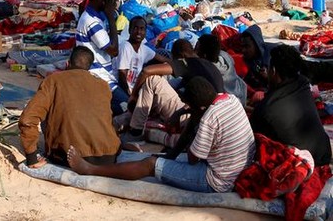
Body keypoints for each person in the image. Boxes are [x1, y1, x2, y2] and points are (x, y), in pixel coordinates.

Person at [67, 76, 256, 194]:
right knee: (185, 131)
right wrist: (182, 114)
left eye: (188, 106)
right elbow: (197, 116)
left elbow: (192, 159)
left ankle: (90, 170)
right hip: (236, 170)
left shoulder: (208, 119)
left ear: (199, 107)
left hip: (216, 181)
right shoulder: (230, 99)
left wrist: (193, 125)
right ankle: (169, 156)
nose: (186, 108)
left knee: (150, 164)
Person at [19, 46, 121, 168]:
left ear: (68, 63)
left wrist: (31, 158)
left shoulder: (54, 80)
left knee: (47, 113)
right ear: (89, 68)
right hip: (109, 157)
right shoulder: (103, 85)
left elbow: (28, 119)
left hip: (69, 157)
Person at [118, 39, 224, 143]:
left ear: (180, 56)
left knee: (152, 80)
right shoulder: (210, 67)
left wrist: (134, 95)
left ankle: (135, 132)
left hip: (194, 121)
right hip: (209, 120)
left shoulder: (189, 63)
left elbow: (146, 71)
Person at [251, 45, 332, 166]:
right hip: (323, 152)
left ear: (273, 71)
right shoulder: (302, 83)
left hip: (304, 164)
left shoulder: (265, 110)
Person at [76, 0, 125, 115]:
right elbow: (113, 51)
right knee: (126, 107)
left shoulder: (95, 16)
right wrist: (111, 16)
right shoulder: (91, 22)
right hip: (98, 76)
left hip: (104, 73)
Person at [115, 16, 168, 95]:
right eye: (135, 28)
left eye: (142, 29)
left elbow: (163, 59)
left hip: (135, 89)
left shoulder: (143, 49)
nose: (139, 32)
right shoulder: (125, 47)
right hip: (122, 88)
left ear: (145, 32)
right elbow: (122, 76)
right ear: (130, 30)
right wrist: (131, 96)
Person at [195, 34, 247, 106]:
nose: (195, 51)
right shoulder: (225, 55)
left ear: (204, 55)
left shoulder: (206, 71)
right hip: (241, 92)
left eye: (197, 49)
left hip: (232, 103)